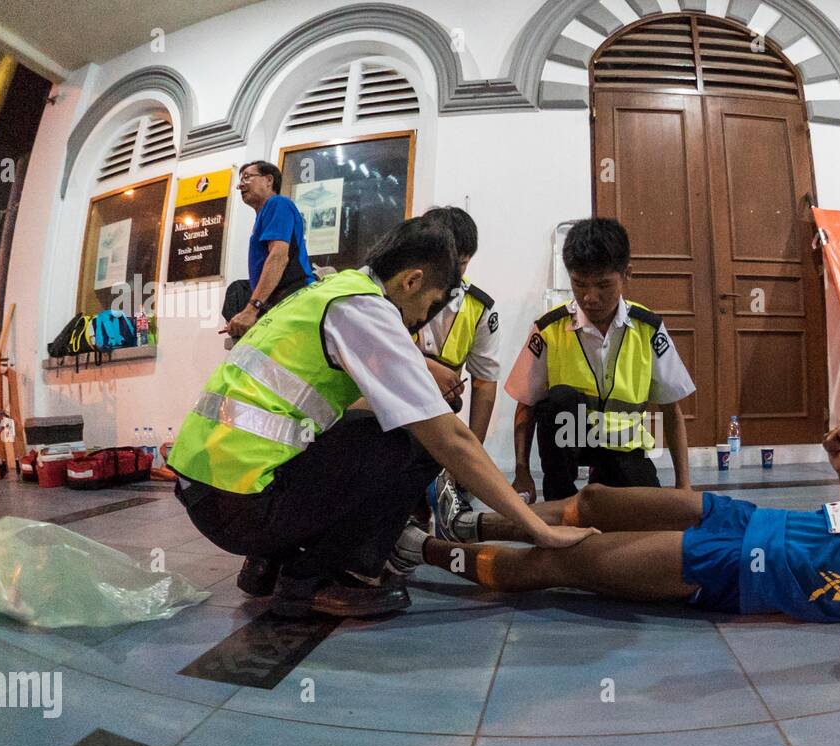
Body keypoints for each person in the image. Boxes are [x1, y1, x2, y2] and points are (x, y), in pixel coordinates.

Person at [167, 217, 595, 619]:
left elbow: (330, 407)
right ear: (412, 280)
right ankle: (322, 577)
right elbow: (451, 439)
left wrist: (422, 370)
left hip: (210, 489)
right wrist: (539, 529)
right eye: (424, 307)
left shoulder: (330, 293)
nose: (417, 322)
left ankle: (269, 563)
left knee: (366, 429)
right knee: (414, 441)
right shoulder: (366, 308)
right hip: (241, 505)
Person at [401, 428, 840, 660]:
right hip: (751, 517)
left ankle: (418, 549)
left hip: (749, 567)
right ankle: (471, 519)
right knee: (602, 500)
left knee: (566, 560)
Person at [505, 218, 695, 504]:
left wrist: (684, 488)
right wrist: (522, 471)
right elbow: (525, 404)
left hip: (624, 447)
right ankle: (561, 498)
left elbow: (671, 409)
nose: (590, 298)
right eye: (579, 284)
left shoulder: (648, 328)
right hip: (570, 443)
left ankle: (608, 477)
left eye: (603, 285)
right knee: (558, 399)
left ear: (626, 274)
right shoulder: (549, 329)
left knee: (645, 518)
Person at [412, 206, 503, 535]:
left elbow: (484, 384)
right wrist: (424, 367)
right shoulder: (391, 290)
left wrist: (469, 457)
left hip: (439, 409)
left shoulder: (479, 309)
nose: (450, 271)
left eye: (460, 263)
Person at [224, 160, 316, 340]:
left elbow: (278, 257)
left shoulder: (277, 204)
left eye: (247, 177)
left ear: (268, 180)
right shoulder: (264, 215)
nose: (240, 185)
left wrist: (251, 309)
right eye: (240, 180)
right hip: (280, 303)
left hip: (293, 299)